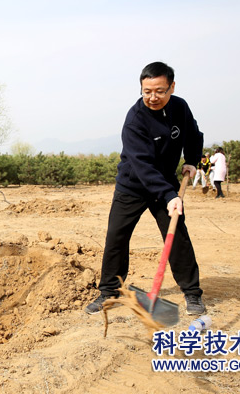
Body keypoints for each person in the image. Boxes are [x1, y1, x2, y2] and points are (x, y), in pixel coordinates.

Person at [84, 61, 206, 316]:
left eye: (160, 91)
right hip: (133, 185)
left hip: (165, 184)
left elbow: (194, 134)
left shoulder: (180, 107)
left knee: (177, 237)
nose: (153, 97)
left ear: (172, 87)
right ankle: (109, 291)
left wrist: (192, 160)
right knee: (116, 237)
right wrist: (170, 195)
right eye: (147, 91)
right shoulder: (135, 119)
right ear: (141, 89)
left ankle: (192, 294)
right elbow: (142, 165)